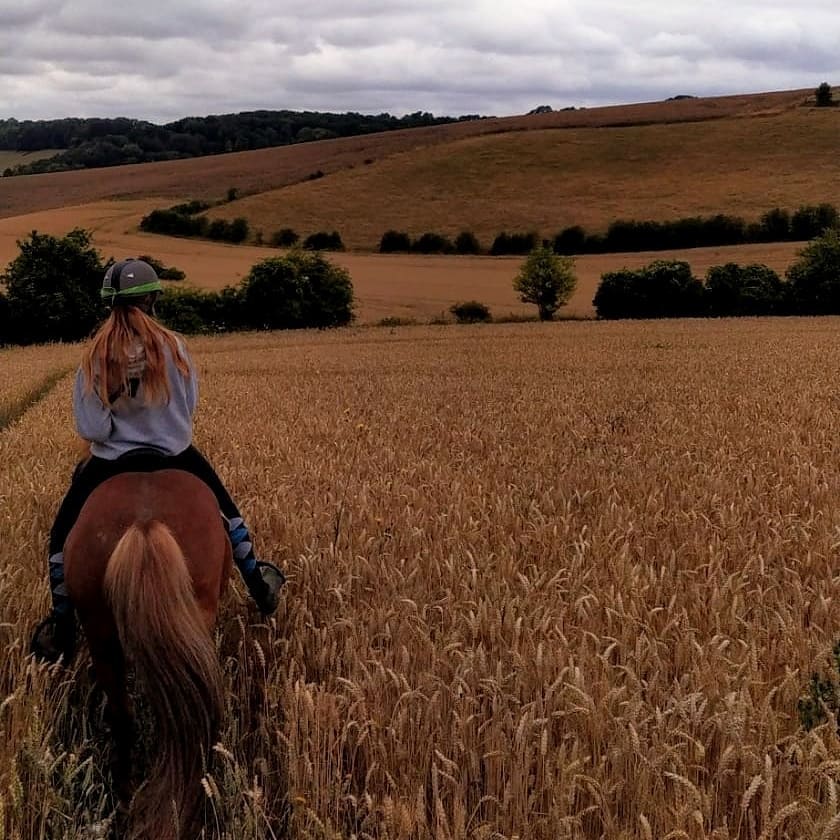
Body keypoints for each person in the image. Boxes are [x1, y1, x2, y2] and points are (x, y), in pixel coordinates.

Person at [31, 258, 285, 664]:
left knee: (61, 538)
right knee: (230, 516)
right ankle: (258, 582)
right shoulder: (175, 347)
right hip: (175, 454)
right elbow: (188, 405)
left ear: (108, 303)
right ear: (152, 300)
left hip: (110, 461)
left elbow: (92, 428)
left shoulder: (96, 355)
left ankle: (61, 627)